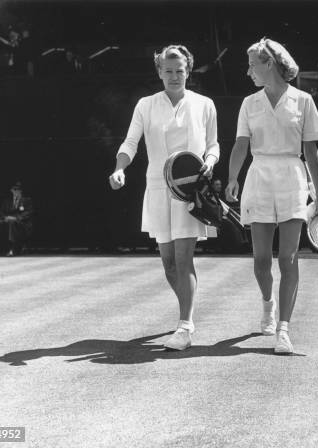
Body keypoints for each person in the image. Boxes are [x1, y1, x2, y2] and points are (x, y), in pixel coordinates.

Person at [108, 44, 219, 351]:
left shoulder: (205, 104)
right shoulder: (145, 105)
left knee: (184, 261)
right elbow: (130, 143)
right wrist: (120, 170)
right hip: (157, 190)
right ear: (159, 71)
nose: (173, 76)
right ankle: (189, 314)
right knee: (169, 265)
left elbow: (214, 145)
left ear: (188, 71)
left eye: (179, 71)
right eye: (167, 71)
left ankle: (184, 325)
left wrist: (209, 162)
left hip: (189, 191)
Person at [225, 38, 318, 354]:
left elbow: (310, 150)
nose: (248, 71)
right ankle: (267, 303)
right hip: (259, 177)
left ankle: (283, 329)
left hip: (293, 179)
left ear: (268, 64)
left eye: (252, 65)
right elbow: (241, 144)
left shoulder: (304, 101)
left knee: (288, 258)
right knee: (260, 262)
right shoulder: (248, 103)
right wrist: (231, 178)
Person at [0, 181, 34, 256]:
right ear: (11, 191)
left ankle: (12, 249)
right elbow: (0, 211)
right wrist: (5, 217)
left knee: (12, 223)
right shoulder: (7, 201)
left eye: (17, 190)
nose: (15, 191)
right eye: (14, 190)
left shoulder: (27, 200)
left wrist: (16, 218)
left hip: (22, 223)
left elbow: (28, 213)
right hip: (8, 220)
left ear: (21, 191)